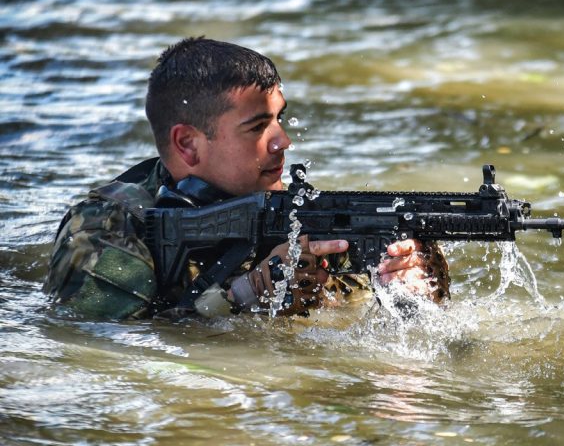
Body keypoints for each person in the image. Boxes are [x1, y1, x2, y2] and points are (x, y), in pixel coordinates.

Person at [44, 37, 450, 320]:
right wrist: (243, 297)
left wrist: (411, 286)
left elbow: (358, 319)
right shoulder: (105, 229)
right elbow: (101, 347)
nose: (283, 141)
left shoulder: (291, 215)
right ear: (188, 144)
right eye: (257, 127)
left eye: (280, 119)